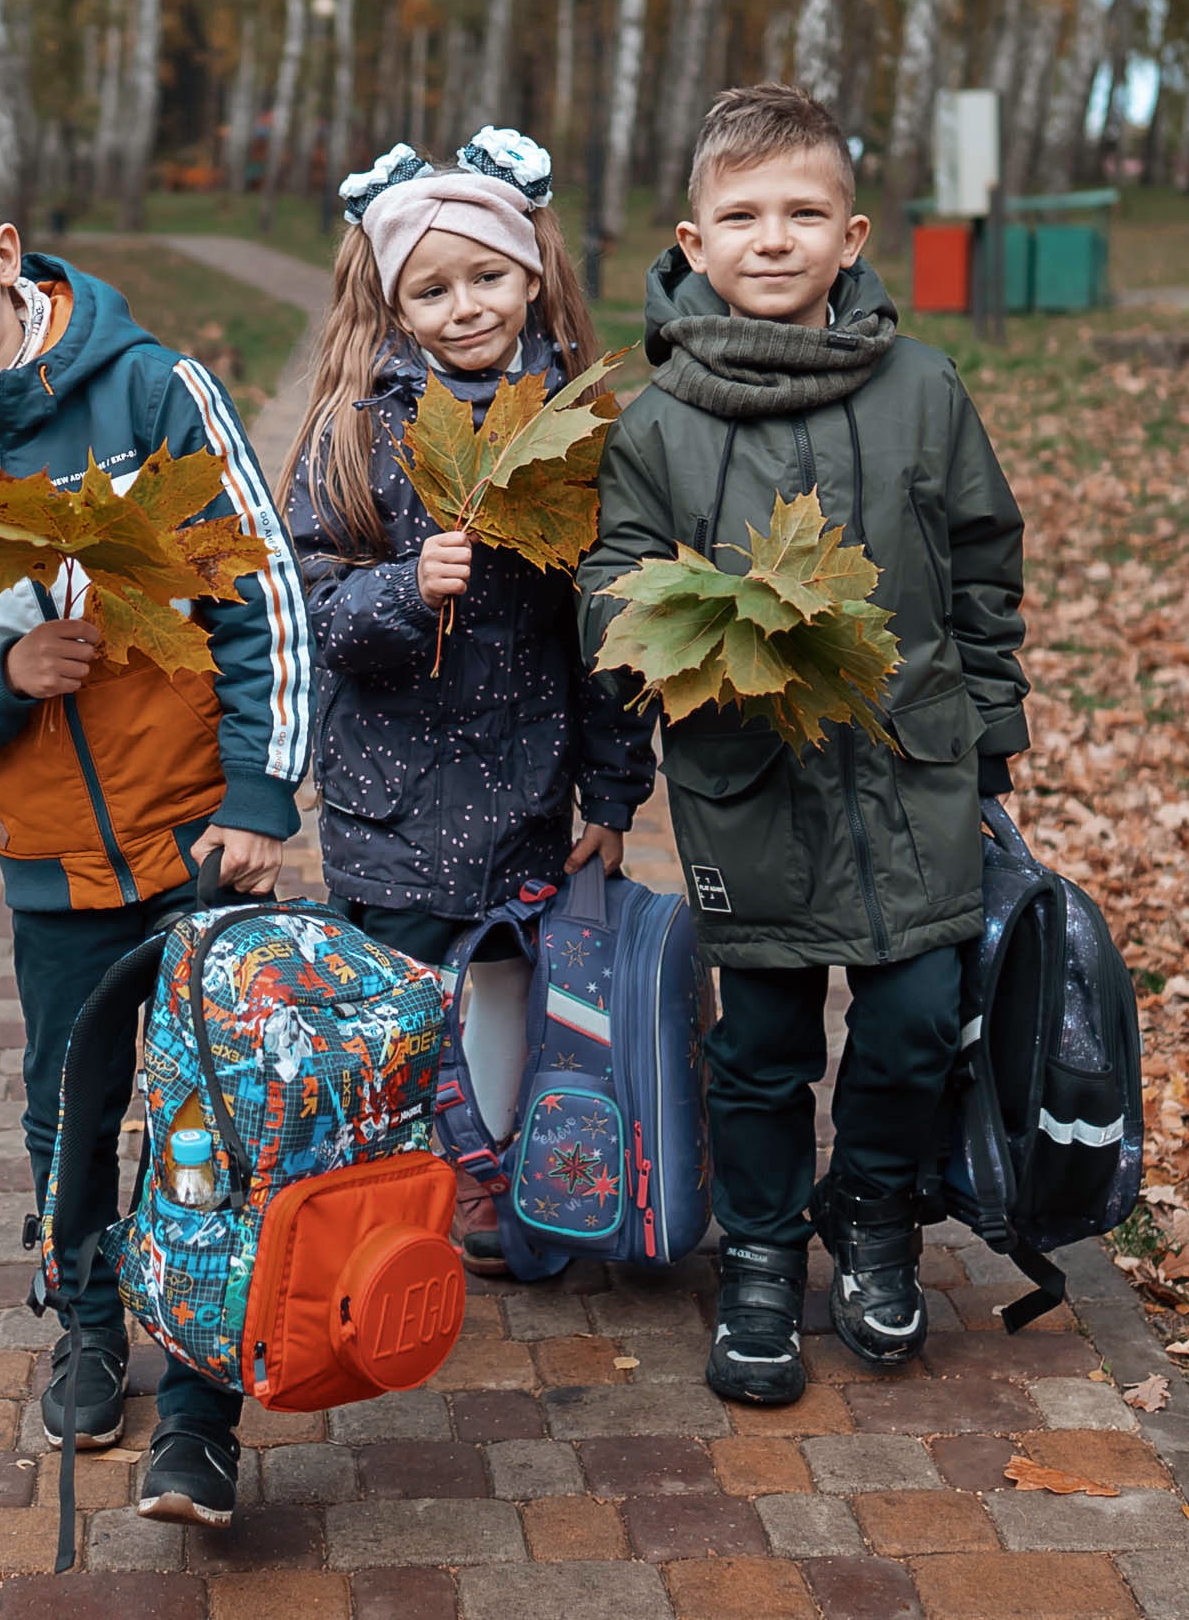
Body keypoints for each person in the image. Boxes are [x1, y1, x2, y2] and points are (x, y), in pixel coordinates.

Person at [0, 129, 312, 1528]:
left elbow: (261, 600)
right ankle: (91, 1324)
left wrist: (261, 796)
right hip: (51, 875)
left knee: (212, 1114)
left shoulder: (153, 394)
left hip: (200, 847)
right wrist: (4, 679)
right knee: (72, 1114)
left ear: (1, 252)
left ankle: (206, 1406)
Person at [577, 85, 1028, 1404]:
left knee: (913, 1024)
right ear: (694, 240)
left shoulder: (924, 391)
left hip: (912, 775)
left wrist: (989, 735)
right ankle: (764, 1256)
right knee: (763, 1047)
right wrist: (686, 624)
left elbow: (984, 566)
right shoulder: (660, 423)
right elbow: (612, 578)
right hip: (748, 783)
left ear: (851, 235)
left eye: (802, 213)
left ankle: (874, 1218)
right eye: (742, 216)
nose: (772, 239)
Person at [280, 128, 655, 1276]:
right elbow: (308, 599)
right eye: (429, 290)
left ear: (532, 271)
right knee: (398, 994)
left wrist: (612, 785)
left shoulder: (582, 432)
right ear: (393, 303)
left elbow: (615, 629)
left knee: (510, 980)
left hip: (527, 779)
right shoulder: (357, 429)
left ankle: (493, 1169)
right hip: (393, 794)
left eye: (485, 277)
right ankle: (395, 1179)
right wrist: (402, 585)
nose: (462, 308)